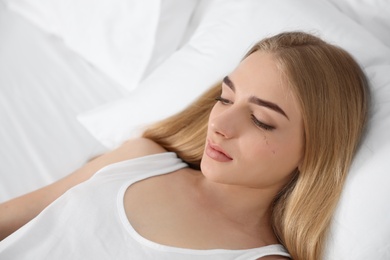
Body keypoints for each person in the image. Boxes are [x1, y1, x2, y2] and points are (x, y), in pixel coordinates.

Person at [0, 31, 369, 260]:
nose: (220, 124)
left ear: (314, 152)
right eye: (225, 98)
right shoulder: (142, 159)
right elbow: (11, 218)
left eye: (261, 120)